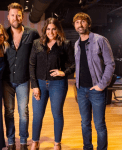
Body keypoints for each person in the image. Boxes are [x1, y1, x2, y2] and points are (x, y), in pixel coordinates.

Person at [29, 17, 75, 150]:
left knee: (57, 114)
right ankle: (35, 142)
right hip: (40, 84)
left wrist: (64, 73)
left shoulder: (65, 44)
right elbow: (31, 65)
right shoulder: (37, 43)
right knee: (37, 115)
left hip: (58, 85)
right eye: (48, 29)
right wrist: (34, 86)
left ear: (58, 30)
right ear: (45, 30)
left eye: (54, 29)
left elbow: (73, 64)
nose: (51, 31)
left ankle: (57, 144)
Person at [73, 12, 115, 150]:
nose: (80, 24)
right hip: (81, 91)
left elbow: (110, 64)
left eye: (83, 21)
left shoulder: (100, 40)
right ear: (74, 26)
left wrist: (101, 85)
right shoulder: (76, 44)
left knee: (99, 125)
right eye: (77, 22)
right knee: (85, 123)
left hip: (96, 90)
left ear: (88, 24)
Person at [3, 2, 40, 150]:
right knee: (9, 112)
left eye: (18, 15)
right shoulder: (3, 34)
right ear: (8, 17)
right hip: (6, 80)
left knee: (23, 112)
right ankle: (11, 142)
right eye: (12, 15)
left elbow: (39, 55)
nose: (15, 18)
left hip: (24, 80)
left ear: (22, 16)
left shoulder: (32, 33)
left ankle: (23, 142)